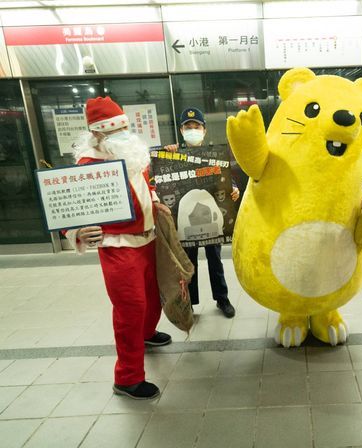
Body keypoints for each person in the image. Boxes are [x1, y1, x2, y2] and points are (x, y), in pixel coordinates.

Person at [65, 97, 171, 400]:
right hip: (118, 247)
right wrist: (77, 231)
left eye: (126, 129)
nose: (125, 137)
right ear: (97, 134)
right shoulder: (87, 164)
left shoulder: (130, 153)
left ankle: (147, 334)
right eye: (116, 132)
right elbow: (68, 210)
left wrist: (155, 200)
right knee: (130, 309)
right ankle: (127, 378)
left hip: (148, 239)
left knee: (153, 297)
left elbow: (144, 184)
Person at [164, 107, 240, 318]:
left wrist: (234, 189)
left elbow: (225, 178)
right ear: (181, 130)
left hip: (210, 216)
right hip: (186, 220)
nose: (192, 130)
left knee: (215, 260)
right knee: (189, 263)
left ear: (204, 130)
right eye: (188, 127)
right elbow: (160, 176)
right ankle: (191, 303)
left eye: (196, 127)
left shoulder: (213, 155)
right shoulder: (174, 154)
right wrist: (166, 154)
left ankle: (222, 299)